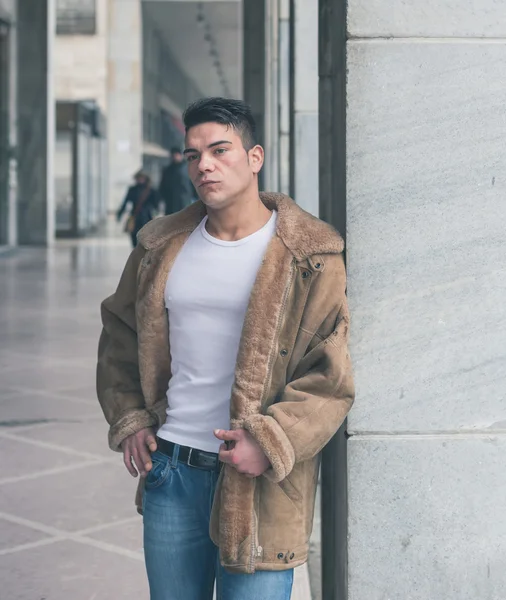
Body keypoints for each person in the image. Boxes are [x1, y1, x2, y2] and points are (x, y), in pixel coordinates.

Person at [96, 97, 354, 600]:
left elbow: (331, 375)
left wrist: (273, 439)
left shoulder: (311, 256)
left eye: (219, 150)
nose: (204, 165)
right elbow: (120, 334)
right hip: (171, 470)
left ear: (254, 157)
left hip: (259, 482)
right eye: (193, 156)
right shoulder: (160, 247)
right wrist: (129, 417)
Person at [116, 170, 159, 247]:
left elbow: (156, 204)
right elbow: (125, 202)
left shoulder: (151, 190)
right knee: (134, 239)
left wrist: (156, 211)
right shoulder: (132, 190)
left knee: (146, 238)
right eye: (139, 178)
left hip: (147, 217)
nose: (140, 179)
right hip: (135, 217)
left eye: (142, 178)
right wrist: (120, 213)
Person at [159, 146, 197, 214]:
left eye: (176, 155)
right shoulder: (167, 170)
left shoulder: (188, 168)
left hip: (185, 203)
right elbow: (163, 187)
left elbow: (194, 184)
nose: (175, 157)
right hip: (170, 204)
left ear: (181, 155)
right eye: (173, 155)